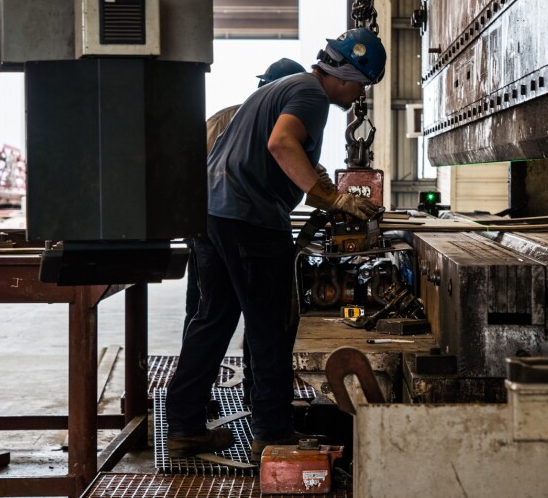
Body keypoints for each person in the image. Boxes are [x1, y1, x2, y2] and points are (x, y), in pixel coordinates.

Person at [165, 27, 386, 461]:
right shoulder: (312, 95)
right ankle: (273, 433)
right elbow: (281, 143)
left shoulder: (286, 87)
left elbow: (278, 154)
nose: (359, 95)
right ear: (345, 74)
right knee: (270, 326)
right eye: (362, 85)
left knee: (213, 320)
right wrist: (333, 199)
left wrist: (319, 183)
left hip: (213, 215)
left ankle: (185, 427)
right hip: (250, 220)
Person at [184, 57, 307, 338]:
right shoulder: (259, 123)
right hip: (238, 226)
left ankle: (196, 377)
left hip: (210, 225)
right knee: (256, 311)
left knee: (208, 311)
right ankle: (253, 380)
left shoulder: (229, 119)